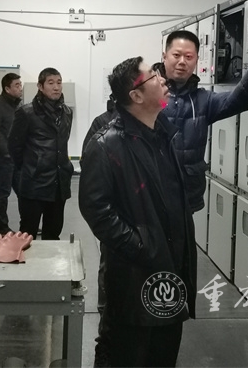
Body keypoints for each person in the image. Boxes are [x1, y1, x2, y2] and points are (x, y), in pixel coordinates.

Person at [79, 56, 197, 367]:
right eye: (154, 76)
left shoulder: (163, 135)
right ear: (136, 95)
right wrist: (141, 245)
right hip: (135, 277)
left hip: (171, 270)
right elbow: (96, 209)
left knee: (164, 352)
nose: (163, 79)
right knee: (128, 353)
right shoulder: (106, 145)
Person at [161, 27, 248, 212]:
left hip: (186, 197)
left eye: (189, 57)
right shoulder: (147, 93)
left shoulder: (203, 100)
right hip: (149, 194)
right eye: (176, 55)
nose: (182, 62)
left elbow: (241, 99)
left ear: (196, 61)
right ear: (164, 56)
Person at [8, 67, 73, 240]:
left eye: (59, 82)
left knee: (53, 234)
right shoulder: (26, 113)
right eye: (50, 83)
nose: (56, 87)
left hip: (58, 184)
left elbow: (62, 144)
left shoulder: (67, 113)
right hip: (34, 184)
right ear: (40, 86)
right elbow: (14, 146)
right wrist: (30, 167)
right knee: (27, 234)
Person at [0, 73, 23, 235]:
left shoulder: (18, 105)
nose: (20, 88)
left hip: (19, 158)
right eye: (17, 85)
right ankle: (1, 228)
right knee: (2, 192)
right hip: (4, 158)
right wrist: (7, 152)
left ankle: (27, 224)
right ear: (7, 89)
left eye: (20, 84)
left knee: (23, 192)